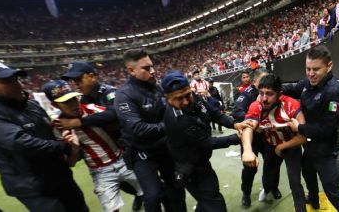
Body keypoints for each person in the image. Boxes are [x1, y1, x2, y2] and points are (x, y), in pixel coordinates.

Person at [0, 61, 88, 212]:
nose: (17, 85)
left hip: (62, 179)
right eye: (7, 82)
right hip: (34, 189)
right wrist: (65, 147)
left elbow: (50, 136)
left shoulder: (33, 105)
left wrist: (69, 147)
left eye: (16, 79)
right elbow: (20, 143)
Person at [43, 80, 144, 212]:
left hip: (123, 160)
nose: (74, 104)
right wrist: (74, 147)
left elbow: (116, 116)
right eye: (66, 102)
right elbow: (71, 163)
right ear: (54, 105)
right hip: (100, 172)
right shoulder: (57, 128)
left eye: (74, 98)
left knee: (153, 192)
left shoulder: (93, 109)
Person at [161, 71, 252, 212]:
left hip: (201, 161)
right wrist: (237, 138)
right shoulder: (175, 120)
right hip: (190, 170)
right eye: (179, 98)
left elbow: (214, 113)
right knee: (215, 203)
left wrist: (234, 124)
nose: (185, 101)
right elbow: (207, 142)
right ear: (167, 98)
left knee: (207, 200)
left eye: (187, 95)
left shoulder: (194, 97)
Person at [114, 49, 186, 212]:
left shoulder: (158, 88)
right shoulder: (124, 95)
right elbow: (138, 129)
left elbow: (174, 111)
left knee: (176, 188)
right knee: (153, 196)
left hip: (165, 148)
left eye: (152, 66)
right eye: (146, 68)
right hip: (141, 153)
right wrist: (170, 125)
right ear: (131, 70)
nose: (153, 71)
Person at [283, 45, 339, 211]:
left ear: (329, 66)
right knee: (307, 174)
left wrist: (299, 127)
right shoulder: (309, 82)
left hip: (325, 151)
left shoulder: (334, 92)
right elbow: (293, 89)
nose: (311, 74)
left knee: (332, 191)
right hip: (309, 146)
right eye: (308, 69)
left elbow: (326, 128)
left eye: (316, 69)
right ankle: (314, 200)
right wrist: (274, 88)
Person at [241, 74, 307, 212]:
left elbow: (303, 136)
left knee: (295, 182)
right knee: (268, 177)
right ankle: (267, 188)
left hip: (291, 146)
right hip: (270, 146)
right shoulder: (256, 105)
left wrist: (282, 146)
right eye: (261, 93)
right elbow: (247, 127)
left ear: (279, 94)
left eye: (269, 94)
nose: (264, 98)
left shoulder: (291, 105)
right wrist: (247, 150)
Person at [232, 69, 280, 208]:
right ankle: (246, 194)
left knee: (272, 165)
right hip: (252, 137)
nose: (266, 84)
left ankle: (272, 187)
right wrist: (252, 123)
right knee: (249, 168)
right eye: (263, 80)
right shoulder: (247, 95)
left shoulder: (273, 93)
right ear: (255, 82)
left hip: (268, 136)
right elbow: (237, 112)